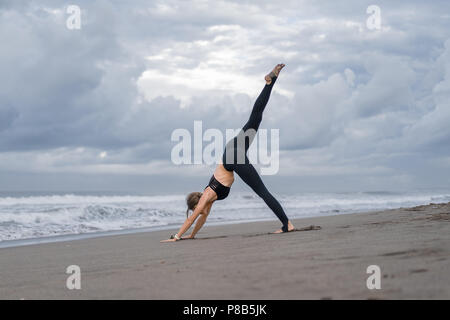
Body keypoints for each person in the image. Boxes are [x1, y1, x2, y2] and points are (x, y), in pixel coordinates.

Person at [161, 64, 294, 243]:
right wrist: (191, 236)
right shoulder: (209, 200)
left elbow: (193, 218)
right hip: (232, 150)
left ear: (196, 204)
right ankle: (270, 82)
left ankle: (287, 224)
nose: (199, 211)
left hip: (233, 156)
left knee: (262, 191)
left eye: (196, 208)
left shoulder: (207, 195)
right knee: (256, 118)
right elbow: (201, 219)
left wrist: (177, 237)